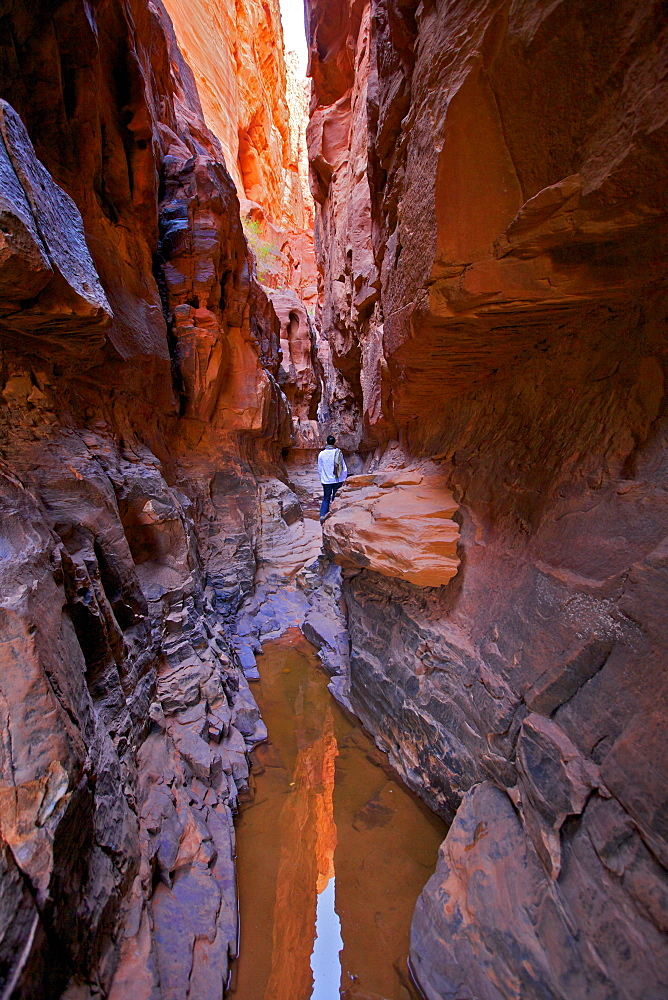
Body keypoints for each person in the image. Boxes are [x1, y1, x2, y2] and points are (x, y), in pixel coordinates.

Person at [317, 434, 347, 523]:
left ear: (326, 442)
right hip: (337, 479)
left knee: (326, 498)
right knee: (335, 498)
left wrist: (321, 478)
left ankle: (322, 515)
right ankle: (333, 514)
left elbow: (320, 468)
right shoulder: (338, 453)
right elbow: (343, 467)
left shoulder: (321, 454)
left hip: (326, 481)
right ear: (334, 443)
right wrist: (343, 478)